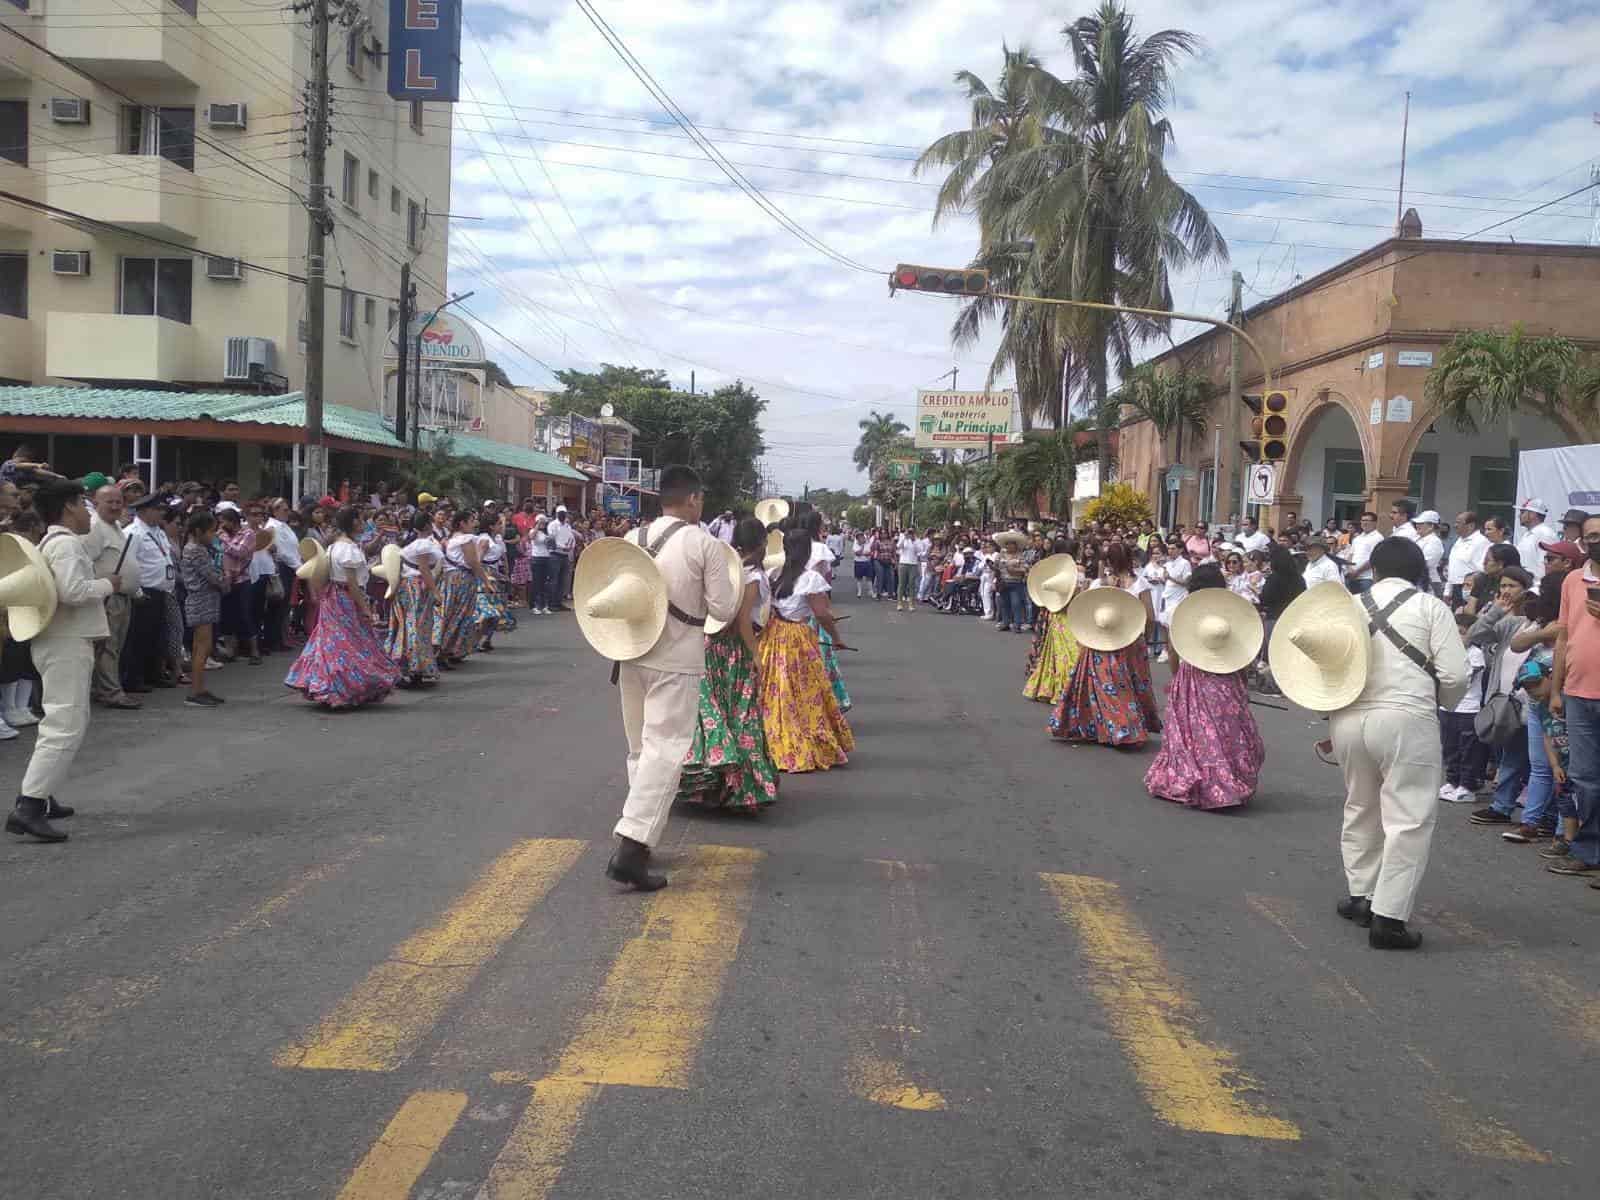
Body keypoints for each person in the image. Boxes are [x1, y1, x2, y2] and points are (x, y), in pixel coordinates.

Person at [606, 466, 741, 891]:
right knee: (664, 750)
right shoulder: (705, 544)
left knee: (640, 749)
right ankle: (632, 846)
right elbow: (723, 610)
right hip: (677, 658)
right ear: (695, 499)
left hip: (631, 654)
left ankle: (642, 835)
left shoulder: (632, 539)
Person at [1332, 537, 1469, 950]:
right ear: (1418, 569)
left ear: (1373, 568)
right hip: (1407, 717)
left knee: (1360, 807)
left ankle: (1362, 896)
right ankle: (1388, 918)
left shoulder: (1350, 607)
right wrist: (1439, 704)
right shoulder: (1431, 608)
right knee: (1407, 818)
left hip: (1349, 718)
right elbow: (1455, 677)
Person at [6, 480, 119, 842]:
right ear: (69, 508)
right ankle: (30, 806)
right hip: (65, 643)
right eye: (84, 506)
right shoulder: (67, 544)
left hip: (59, 641)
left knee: (63, 720)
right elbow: (72, 592)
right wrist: (107, 584)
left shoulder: (53, 541)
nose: (88, 514)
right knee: (64, 724)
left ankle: (43, 792)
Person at [677, 517, 779, 812]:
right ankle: (742, 788)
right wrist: (757, 655)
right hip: (734, 653)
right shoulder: (754, 576)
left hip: (712, 648)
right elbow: (744, 620)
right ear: (761, 543)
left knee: (712, 712)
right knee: (741, 715)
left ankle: (712, 783)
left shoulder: (729, 570)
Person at [1144, 564, 1264, 809]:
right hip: (1226, 674)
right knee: (1227, 728)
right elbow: (1244, 650)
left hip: (1193, 675)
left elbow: (1174, 649)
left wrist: (1178, 678)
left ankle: (1202, 777)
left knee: (1194, 731)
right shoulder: (1232, 610)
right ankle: (1229, 778)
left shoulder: (1182, 612)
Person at [758, 528, 854, 775]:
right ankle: (800, 740)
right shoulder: (809, 578)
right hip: (797, 637)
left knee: (775, 689)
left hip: (773, 635)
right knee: (804, 690)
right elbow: (822, 614)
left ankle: (771, 739)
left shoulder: (773, 573)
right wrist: (836, 638)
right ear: (807, 551)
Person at [284, 506, 400, 708]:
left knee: (330, 642)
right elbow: (353, 584)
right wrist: (365, 608)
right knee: (348, 643)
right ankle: (341, 688)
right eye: (361, 519)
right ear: (354, 522)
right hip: (345, 598)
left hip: (332, 597)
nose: (364, 523)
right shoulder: (348, 549)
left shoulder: (333, 547)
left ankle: (326, 685)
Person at [1050, 541, 1161, 747]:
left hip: (1101, 640)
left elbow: (1083, 610)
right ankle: (1122, 729)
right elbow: (1150, 617)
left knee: (1103, 685)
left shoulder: (1101, 584)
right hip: (1127, 641)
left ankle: (1111, 727)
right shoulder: (1139, 584)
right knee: (1124, 686)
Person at [1548, 513, 1600, 882]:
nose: (1596, 541)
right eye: (1591, 536)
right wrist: (1556, 688)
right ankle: (1588, 850)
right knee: (1584, 778)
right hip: (1578, 692)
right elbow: (1564, 636)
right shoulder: (1572, 580)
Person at [81, 483, 141, 710]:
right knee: (108, 646)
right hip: (108, 597)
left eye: (119, 502)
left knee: (113, 647)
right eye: (110, 502)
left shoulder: (115, 526)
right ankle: (111, 692)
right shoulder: (95, 527)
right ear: (96, 504)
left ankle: (102, 689)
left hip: (122, 597)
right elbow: (85, 562)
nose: (116, 506)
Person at [121, 492, 175, 693]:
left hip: (161, 591)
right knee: (138, 638)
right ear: (143, 511)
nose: (160, 513)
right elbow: (127, 564)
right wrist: (137, 591)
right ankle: (133, 679)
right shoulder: (133, 533)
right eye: (156, 509)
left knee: (157, 637)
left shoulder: (158, 531)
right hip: (144, 592)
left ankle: (152, 674)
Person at [1438, 611, 1488, 805]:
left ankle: (1468, 786)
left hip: (1468, 709)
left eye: (1462, 632)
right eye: (1454, 632)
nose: (1457, 636)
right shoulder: (1444, 651)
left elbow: (1463, 679)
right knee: (1450, 747)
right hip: (1447, 707)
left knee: (1468, 750)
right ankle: (1452, 780)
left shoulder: (1475, 654)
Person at [1023, 540, 1082, 703]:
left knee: (1056, 653)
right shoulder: (1078, 571)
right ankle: (1066, 688)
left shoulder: (1052, 571)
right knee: (1067, 653)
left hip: (1056, 613)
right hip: (1069, 615)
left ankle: (1049, 687)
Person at [179, 509, 225, 707]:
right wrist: (225, 581)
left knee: (202, 647)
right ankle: (196, 691)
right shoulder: (195, 550)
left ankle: (200, 688)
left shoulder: (196, 548)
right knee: (201, 648)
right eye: (210, 532)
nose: (213, 536)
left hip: (204, 600)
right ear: (198, 531)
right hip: (201, 600)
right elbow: (211, 576)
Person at [434, 510, 485, 668]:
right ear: (462, 523)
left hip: (452, 578)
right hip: (463, 579)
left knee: (450, 613)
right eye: (471, 521)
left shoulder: (451, 538)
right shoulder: (465, 539)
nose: (474, 524)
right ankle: (445, 651)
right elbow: (473, 562)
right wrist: (485, 580)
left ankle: (449, 650)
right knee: (459, 614)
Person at [1445, 510, 1490, 609]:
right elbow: (1453, 566)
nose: (1455, 525)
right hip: (1456, 587)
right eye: (1455, 522)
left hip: (1470, 589)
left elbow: (1483, 568)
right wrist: (1448, 590)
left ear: (1471, 526)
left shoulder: (1481, 542)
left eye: (1459, 522)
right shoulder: (1459, 540)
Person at [1514, 498, 1557, 589]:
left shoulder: (1546, 534)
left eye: (1522, 512)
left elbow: (1545, 565)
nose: (1519, 516)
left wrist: (1537, 589)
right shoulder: (1527, 534)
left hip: (1536, 588)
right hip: (1525, 585)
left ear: (1532, 514)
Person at [1343, 511, 1383, 594]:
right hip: (1351, 577)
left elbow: (1373, 559)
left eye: (1368, 520)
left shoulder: (1378, 538)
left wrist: (1357, 572)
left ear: (1375, 523)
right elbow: (1350, 555)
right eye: (1363, 520)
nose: (1365, 523)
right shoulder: (1357, 538)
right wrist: (1349, 569)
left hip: (1366, 579)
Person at [549, 506, 576, 609]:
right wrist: (562, 547)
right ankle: (552, 603)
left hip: (565, 555)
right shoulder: (552, 525)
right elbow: (552, 540)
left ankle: (559, 602)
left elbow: (571, 538)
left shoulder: (568, 526)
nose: (562, 515)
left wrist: (570, 547)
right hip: (555, 554)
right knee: (554, 579)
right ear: (556, 513)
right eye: (560, 513)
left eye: (564, 513)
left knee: (562, 580)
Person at [1414, 511, 1446, 594]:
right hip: (1418, 580)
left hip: (1429, 582)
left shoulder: (1434, 541)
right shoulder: (1418, 538)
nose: (1417, 525)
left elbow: (1427, 563)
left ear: (1431, 526)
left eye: (1421, 523)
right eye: (1417, 523)